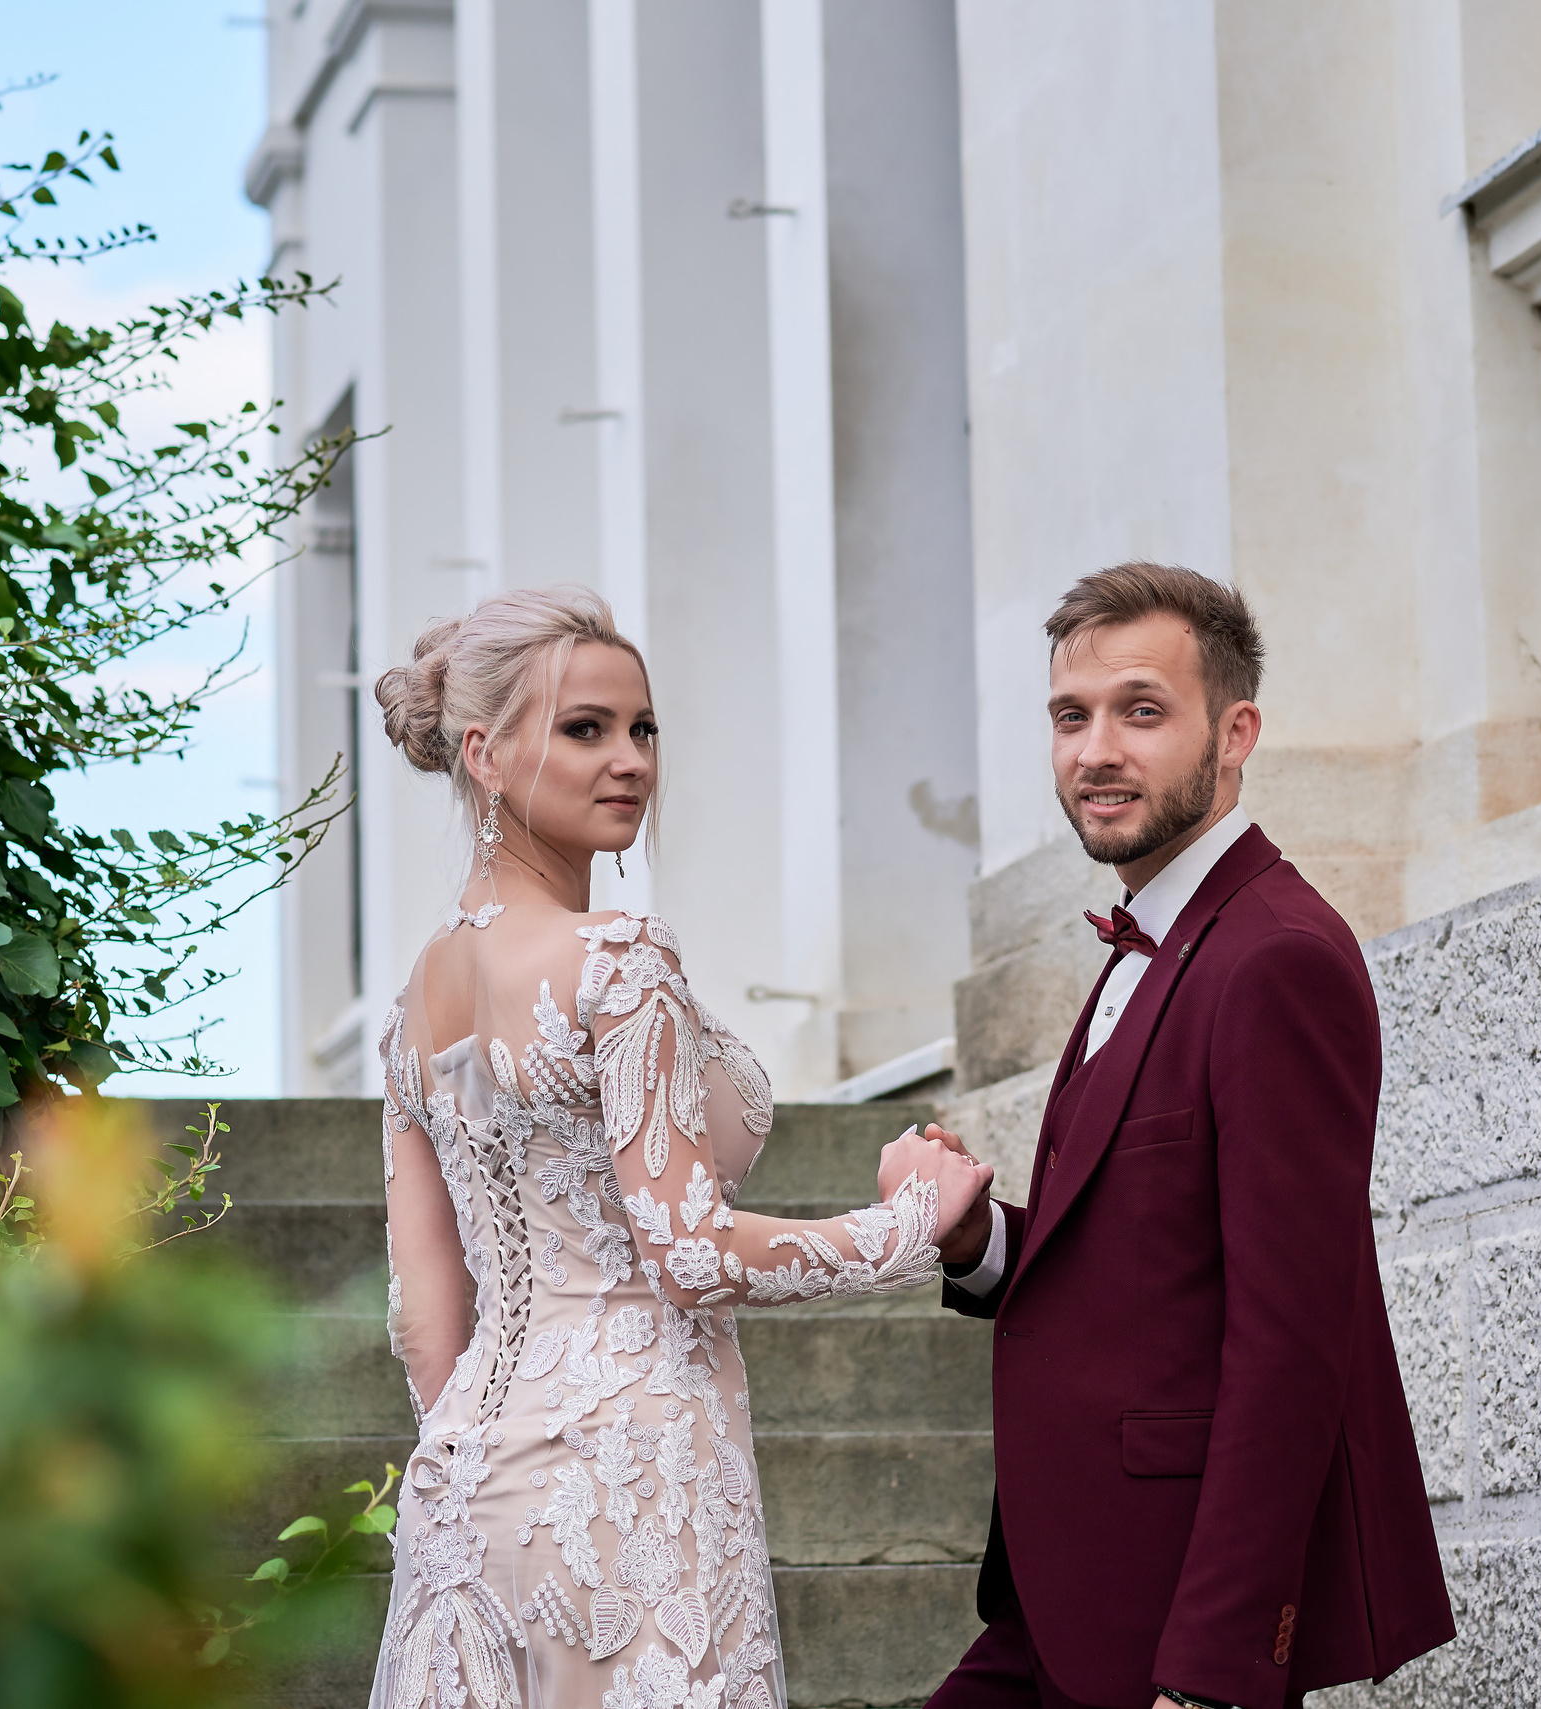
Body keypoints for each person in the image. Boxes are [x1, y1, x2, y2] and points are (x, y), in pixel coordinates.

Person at [366, 584, 993, 1709]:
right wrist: (911, 1224)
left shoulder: (417, 997)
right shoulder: (618, 955)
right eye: (585, 728)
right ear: (484, 754)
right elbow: (691, 1256)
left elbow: (424, 1317)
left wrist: (484, 1463)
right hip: (633, 1472)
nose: (630, 761)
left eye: (642, 727)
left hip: (464, 1480)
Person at [892, 565, 1454, 1709]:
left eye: (1140, 710)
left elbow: (1292, 1345)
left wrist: (1213, 1674)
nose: (1096, 750)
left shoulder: (1275, 956)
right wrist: (974, 1240)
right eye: (1071, 715)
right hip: (1065, 1591)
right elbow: (1139, 1265)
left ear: (1235, 732)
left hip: (1168, 1621)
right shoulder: (1155, 937)